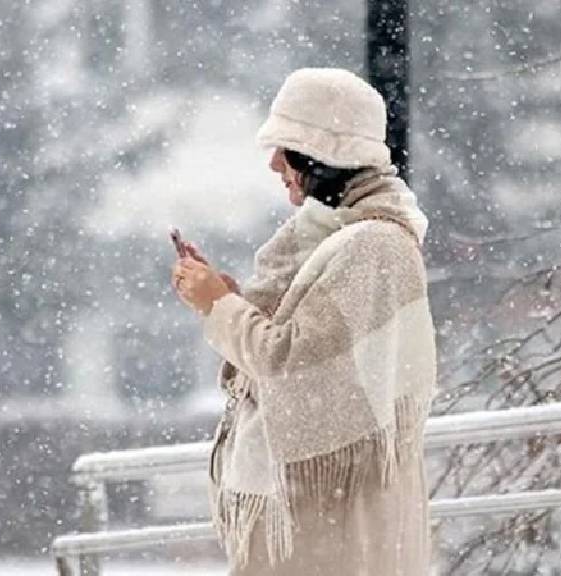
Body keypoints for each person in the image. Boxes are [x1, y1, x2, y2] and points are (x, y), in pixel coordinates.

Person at [170, 67, 437, 575]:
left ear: (324, 155)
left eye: (287, 149)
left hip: (331, 525)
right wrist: (225, 299)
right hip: (315, 518)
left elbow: (290, 362)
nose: (274, 163)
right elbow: (305, 350)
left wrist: (220, 307)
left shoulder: (374, 246)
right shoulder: (332, 238)